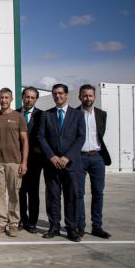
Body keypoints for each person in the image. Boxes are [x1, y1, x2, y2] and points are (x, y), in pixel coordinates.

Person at [38, 84, 86, 242]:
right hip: (52, 164)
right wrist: (51, 156)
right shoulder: (47, 115)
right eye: (54, 93)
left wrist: (67, 157)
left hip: (71, 164)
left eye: (60, 93)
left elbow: (80, 138)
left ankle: (71, 228)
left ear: (66, 95)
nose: (57, 96)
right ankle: (54, 227)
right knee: (53, 196)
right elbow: (41, 137)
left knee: (71, 196)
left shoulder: (78, 115)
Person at [0, 88, 28, 237]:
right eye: (1, 97)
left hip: (14, 162)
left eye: (6, 98)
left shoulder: (18, 117)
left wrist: (24, 163)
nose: (4, 100)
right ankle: (1, 223)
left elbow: (24, 141)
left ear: (11, 99)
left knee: (14, 193)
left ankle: (14, 223)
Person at [76, 84, 112, 239]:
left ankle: (97, 226)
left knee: (98, 193)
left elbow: (100, 134)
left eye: (90, 96)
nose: (87, 98)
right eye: (84, 95)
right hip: (79, 157)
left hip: (97, 157)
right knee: (79, 193)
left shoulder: (101, 114)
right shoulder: (74, 114)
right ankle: (80, 226)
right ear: (80, 97)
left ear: (94, 97)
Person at [16, 87, 44, 234]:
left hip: (35, 161)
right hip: (17, 159)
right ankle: (22, 219)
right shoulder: (15, 113)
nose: (29, 100)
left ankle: (32, 222)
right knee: (20, 191)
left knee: (33, 192)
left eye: (32, 98)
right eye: (27, 97)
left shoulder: (41, 115)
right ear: (22, 97)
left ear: (36, 99)